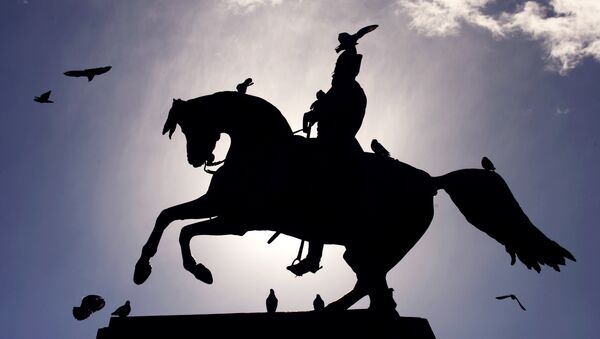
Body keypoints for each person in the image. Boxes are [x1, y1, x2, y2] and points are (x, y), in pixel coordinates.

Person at [287, 25, 378, 277]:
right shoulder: (338, 88)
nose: (335, 72)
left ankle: (313, 257)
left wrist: (319, 112)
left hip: (337, 144)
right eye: (336, 69)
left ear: (349, 68)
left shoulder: (349, 89)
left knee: (317, 194)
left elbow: (339, 112)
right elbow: (327, 106)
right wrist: (315, 112)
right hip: (331, 141)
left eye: (340, 68)